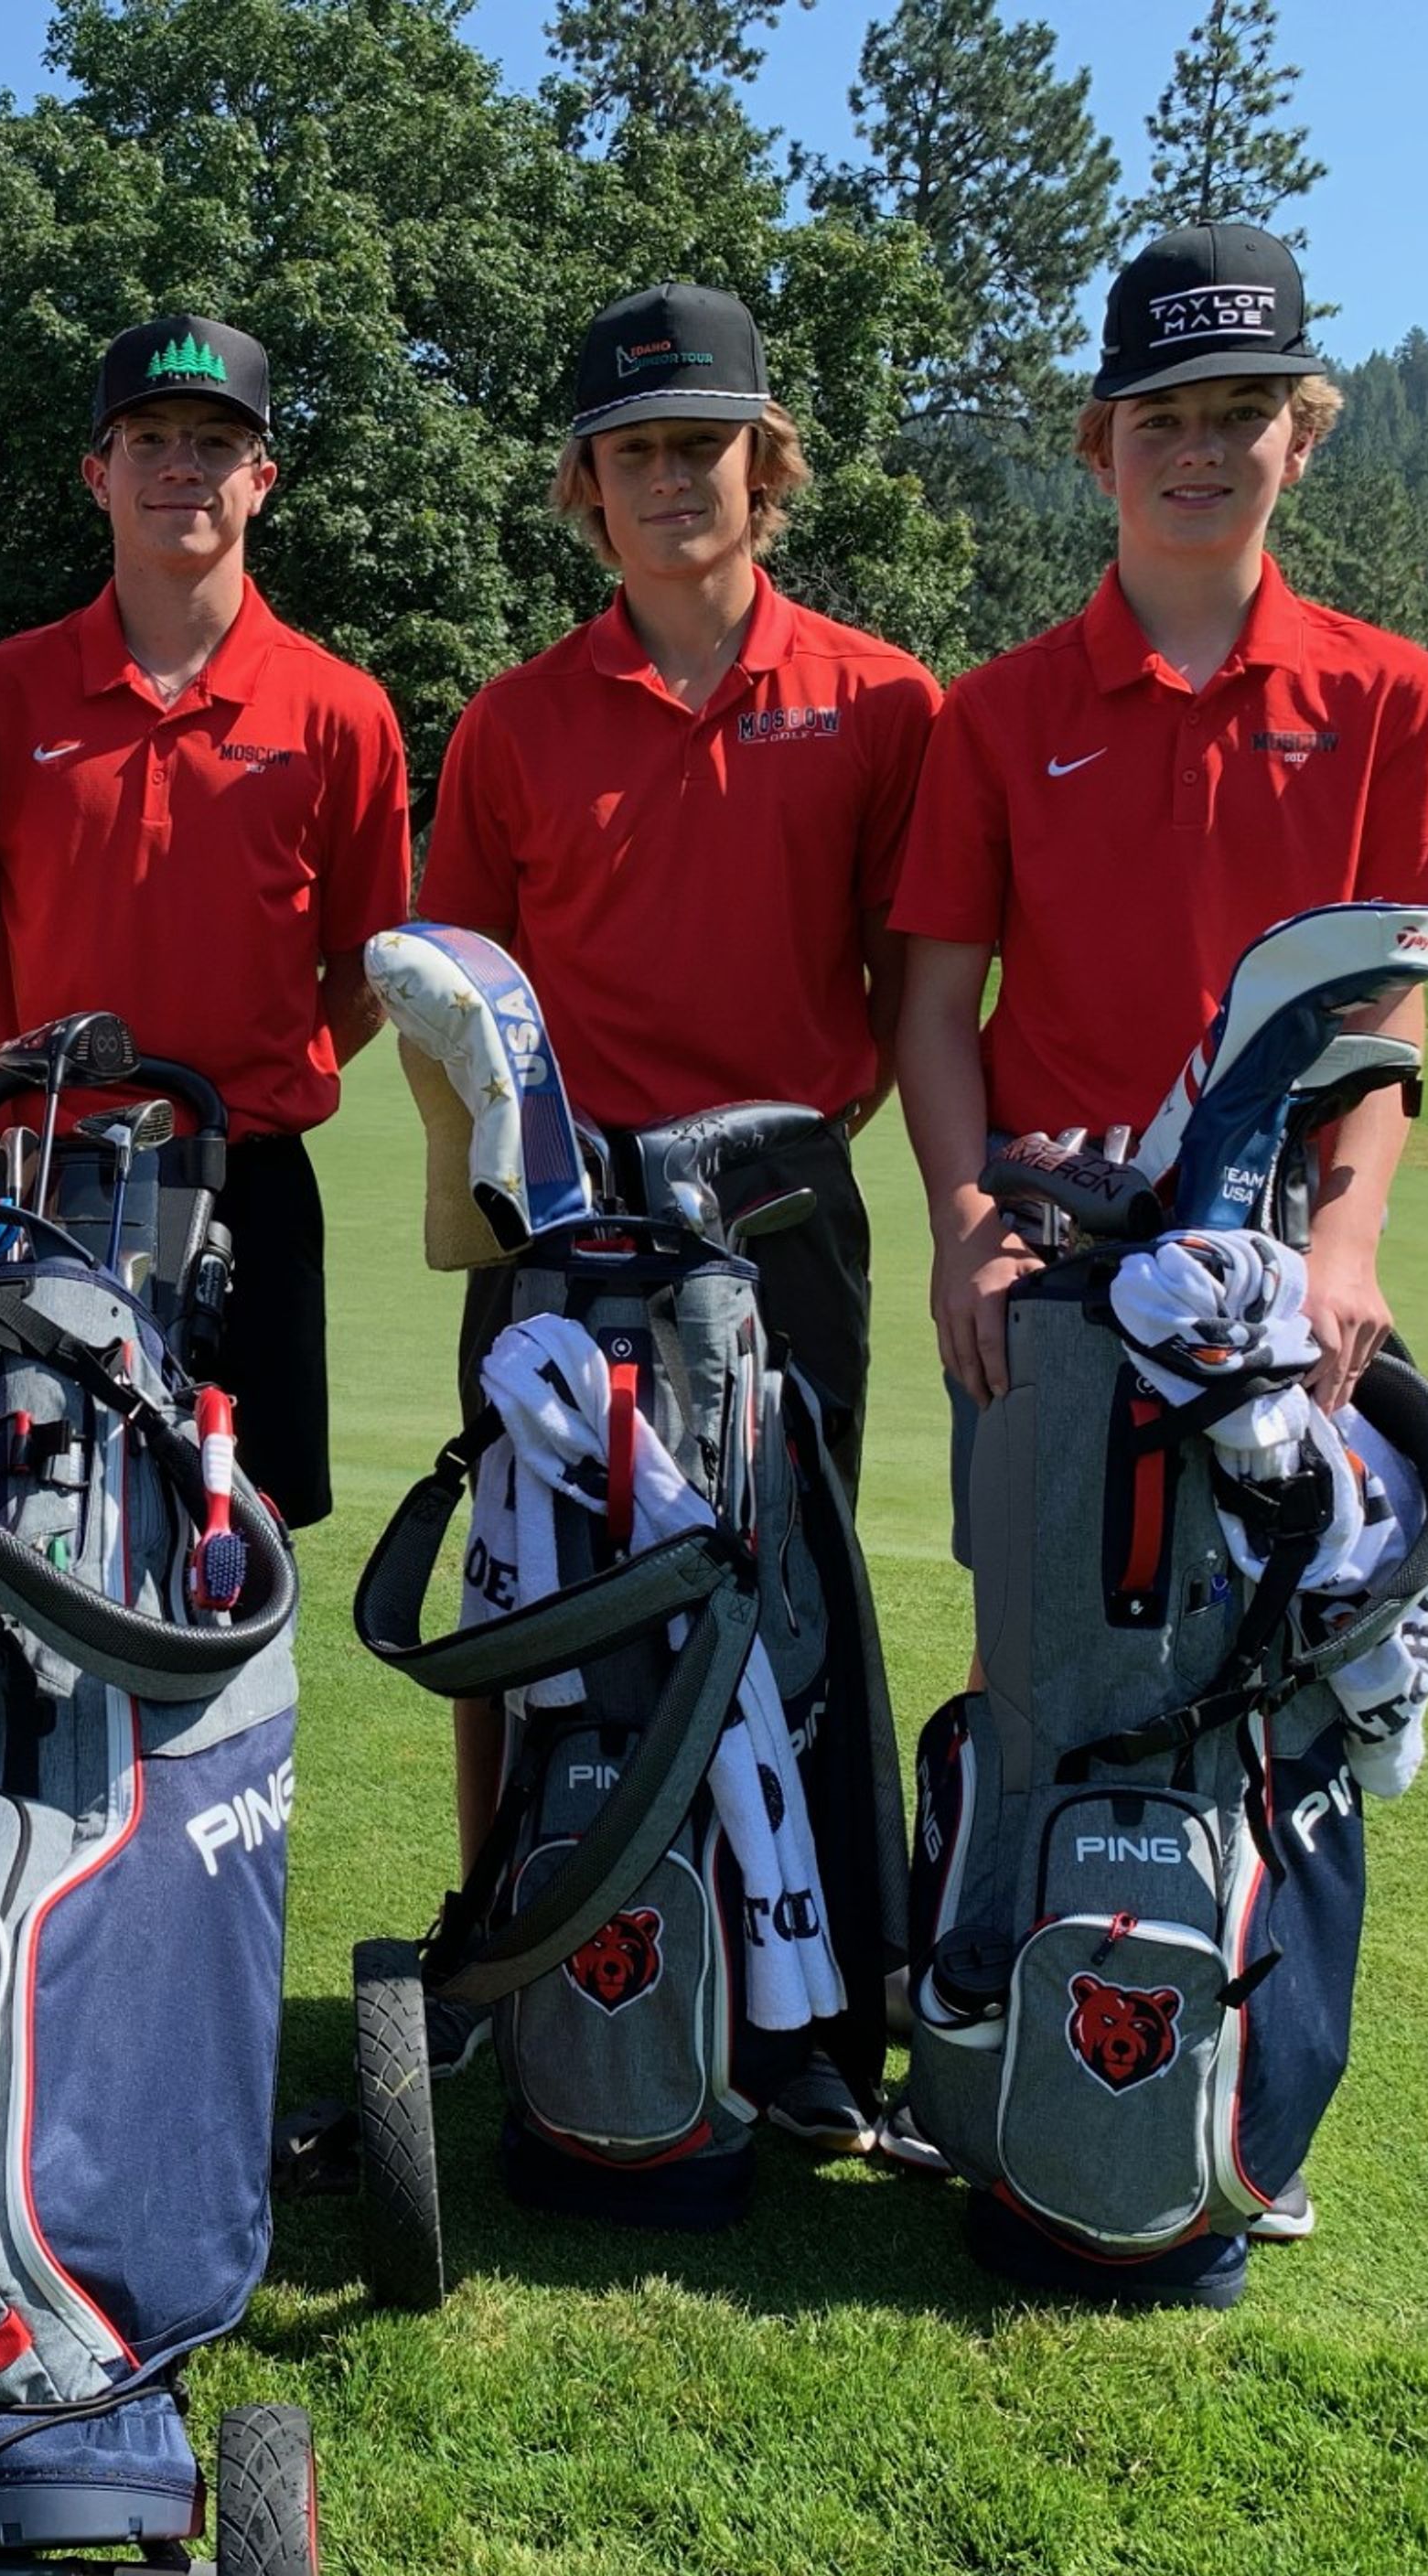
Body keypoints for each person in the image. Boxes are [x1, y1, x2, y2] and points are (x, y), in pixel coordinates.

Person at [889, 223, 1428, 2226]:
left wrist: (1347, 1242)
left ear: (1302, 437)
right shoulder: (1000, 716)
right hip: (1060, 1271)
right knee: (1037, 1668)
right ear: (1102, 445)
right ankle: (999, 2065)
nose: (1204, 450)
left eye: (1246, 412)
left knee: (1277, 1686)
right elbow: (934, 1008)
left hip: (1272, 1277)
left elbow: (1384, 1027)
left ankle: (1241, 2097)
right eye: (1169, 416)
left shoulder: (1388, 698)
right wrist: (970, 1220)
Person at [414, 284, 940, 2139]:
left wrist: (814, 1117)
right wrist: (479, 1204)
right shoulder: (517, 722)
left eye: (701, 447)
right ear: (587, 485)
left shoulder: (884, 706)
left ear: (764, 466)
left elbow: (911, 974)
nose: (670, 481)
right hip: (567, 1215)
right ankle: (502, 1935)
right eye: (634, 452)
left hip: (783, 1198)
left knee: (788, 1587)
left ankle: (793, 1991)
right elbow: (452, 985)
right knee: (519, 1580)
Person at [0, 316, 411, 1529]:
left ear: (262, 479)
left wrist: (254, 1076)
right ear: (96, 473)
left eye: (215, 442)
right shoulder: (1, 694)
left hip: (248, 1186)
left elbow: (365, 970)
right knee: (30, 1532)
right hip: (40, 1179)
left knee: (238, 1548)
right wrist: (21, 1068)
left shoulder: (341, 709)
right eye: (148, 437)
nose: (179, 466)